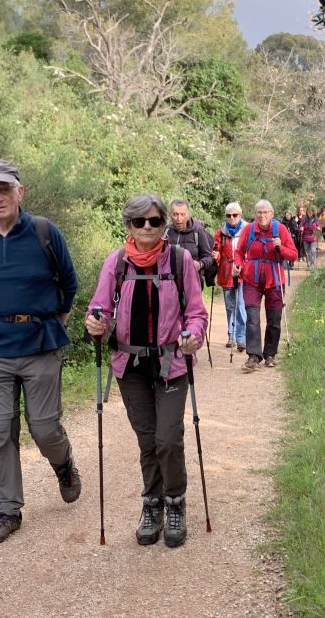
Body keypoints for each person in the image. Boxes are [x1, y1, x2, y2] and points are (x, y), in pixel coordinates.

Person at [0, 159, 81, 546]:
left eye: (5, 189)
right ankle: (8, 510)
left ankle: (63, 465)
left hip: (40, 344)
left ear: (20, 192)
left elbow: (69, 282)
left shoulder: (45, 232)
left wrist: (50, 318)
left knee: (44, 428)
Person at [84, 195, 208, 548]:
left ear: (164, 223)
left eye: (155, 221)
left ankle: (175, 502)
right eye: (140, 222)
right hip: (131, 366)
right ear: (129, 226)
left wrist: (193, 336)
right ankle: (151, 504)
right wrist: (96, 321)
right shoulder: (117, 262)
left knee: (168, 438)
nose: (148, 228)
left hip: (172, 363)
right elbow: (100, 305)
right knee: (147, 439)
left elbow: (197, 313)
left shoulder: (181, 260)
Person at [233, 200, 298, 372]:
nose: (262, 216)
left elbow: (293, 255)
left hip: (275, 280)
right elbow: (238, 252)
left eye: (265, 212)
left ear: (272, 213)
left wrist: (281, 248)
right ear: (255, 214)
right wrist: (238, 265)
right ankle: (254, 356)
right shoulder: (248, 230)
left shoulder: (280, 230)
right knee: (252, 317)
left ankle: (270, 353)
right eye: (259, 212)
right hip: (251, 280)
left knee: (274, 319)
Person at [213, 202, 249, 350]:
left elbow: (251, 250)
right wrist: (216, 255)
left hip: (242, 273)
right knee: (230, 306)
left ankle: (241, 338)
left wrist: (243, 265)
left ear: (240, 215)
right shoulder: (221, 232)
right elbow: (217, 250)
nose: (232, 218)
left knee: (241, 305)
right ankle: (231, 336)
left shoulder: (247, 229)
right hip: (226, 272)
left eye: (235, 215)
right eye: (229, 215)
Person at [165, 198, 215, 286]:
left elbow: (208, 257)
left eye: (182, 214)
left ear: (188, 215)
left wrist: (200, 264)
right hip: (170, 283)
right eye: (175, 214)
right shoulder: (167, 230)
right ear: (170, 215)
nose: (179, 219)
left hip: (193, 283)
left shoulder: (198, 230)